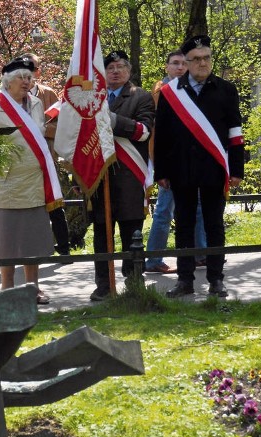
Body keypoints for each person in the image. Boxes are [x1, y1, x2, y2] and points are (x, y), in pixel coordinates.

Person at [154, 35, 245, 298]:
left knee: (214, 224)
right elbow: (163, 135)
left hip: (214, 168)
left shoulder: (226, 89)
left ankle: (216, 279)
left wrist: (236, 168)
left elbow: (235, 132)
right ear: (186, 62)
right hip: (180, 169)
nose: (203, 63)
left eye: (207, 58)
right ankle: (184, 280)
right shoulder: (171, 93)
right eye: (196, 59)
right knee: (183, 225)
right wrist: (161, 171)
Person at [0, 57, 64, 305]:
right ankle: (7, 288)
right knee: (7, 241)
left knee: (33, 241)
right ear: (7, 82)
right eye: (21, 77)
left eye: (29, 78)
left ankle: (33, 287)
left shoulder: (37, 103)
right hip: (8, 183)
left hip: (35, 182)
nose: (27, 82)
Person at [90, 50, 155, 302]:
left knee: (132, 233)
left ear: (128, 71)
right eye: (110, 67)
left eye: (120, 67)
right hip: (99, 178)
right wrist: (78, 179)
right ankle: (103, 285)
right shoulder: (92, 99)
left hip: (129, 176)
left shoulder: (141, 97)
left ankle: (134, 283)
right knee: (101, 235)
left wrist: (112, 119)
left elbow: (143, 132)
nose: (115, 71)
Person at [145, 50, 207, 274]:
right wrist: (160, 164)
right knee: (164, 211)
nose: (180, 67)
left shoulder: (193, 89)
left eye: (184, 63)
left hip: (193, 160)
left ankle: (201, 254)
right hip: (170, 163)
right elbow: (158, 133)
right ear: (167, 67)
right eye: (175, 63)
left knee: (198, 207)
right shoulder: (161, 91)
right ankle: (153, 259)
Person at [21, 52, 71, 256]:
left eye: (31, 68)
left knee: (55, 205)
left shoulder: (48, 94)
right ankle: (27, 250)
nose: (27, 73)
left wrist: (37, 127)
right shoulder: (10, 95)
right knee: (25, 207)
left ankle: (64, 249)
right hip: (21, 162)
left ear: (38, 71)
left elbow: (62, 126)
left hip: (46, 159)